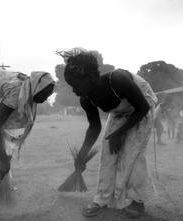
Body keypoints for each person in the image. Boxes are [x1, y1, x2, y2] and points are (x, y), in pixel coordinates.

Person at [57, 48, 157, 218]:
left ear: (90, 78)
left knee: (132, 154)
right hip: (120, 113)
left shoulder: (118, 79)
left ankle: (137, 201)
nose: (74, 90)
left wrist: (119, 134)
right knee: (108, 154)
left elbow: (142, 107)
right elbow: (94, 126)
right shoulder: (86, 98)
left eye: (75, 85)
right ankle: (102, 199)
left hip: (142, 106)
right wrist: (82, 155)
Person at [0, 68, 55, 199]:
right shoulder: (16, 93)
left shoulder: (28, 88)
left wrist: (5, 156)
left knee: (2, 138)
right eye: (43, 95)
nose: (44, 100)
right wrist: (3, 158)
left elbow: (9, 135)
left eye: (47, 97)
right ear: (36, 88)